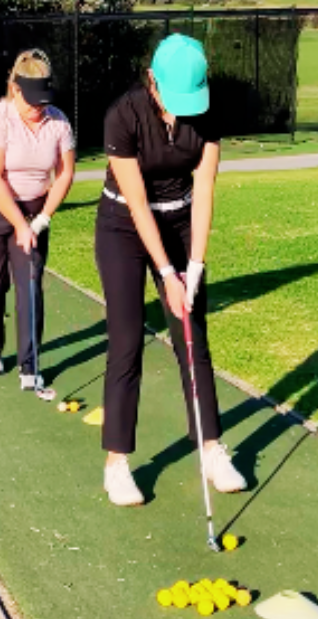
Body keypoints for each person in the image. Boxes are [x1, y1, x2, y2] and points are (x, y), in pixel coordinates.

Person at [96, 34, 245, 507]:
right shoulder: (123, 115)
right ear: (152, 81)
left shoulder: (208, 115)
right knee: (126, 339)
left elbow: (204, 193)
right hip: (123, 224)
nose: (183, 112)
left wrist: (194, 266)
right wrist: (166, 272)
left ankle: (211, 448)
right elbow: (138, 203)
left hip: (181, 219)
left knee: (192, 333)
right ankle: (116, 464)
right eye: (173, 99)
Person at [0, 50, 75, 387]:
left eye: (44, 100)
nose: (39, 108)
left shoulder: (58, 122)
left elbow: (66, 173)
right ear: (15, 89)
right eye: (32, 101)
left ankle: (30, 365)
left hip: (34, 206)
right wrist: (20, 224)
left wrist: (41, 219)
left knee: (30, 284)